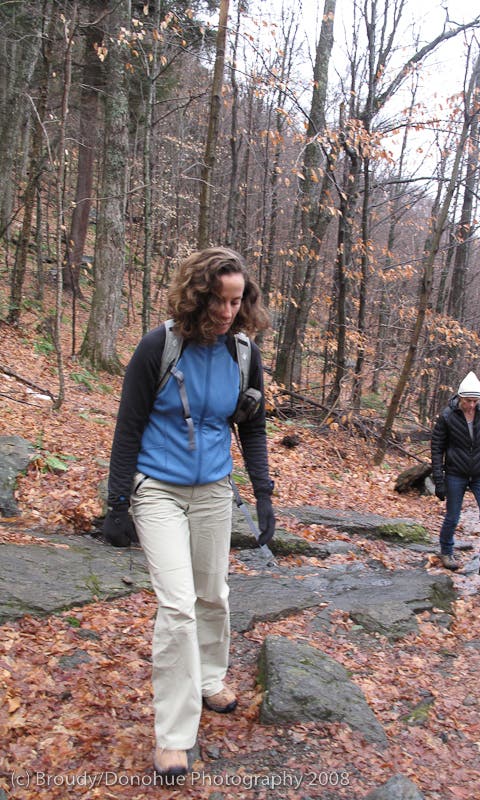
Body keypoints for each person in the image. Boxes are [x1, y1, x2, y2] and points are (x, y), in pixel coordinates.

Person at [102, 247, 275, 780]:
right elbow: (128, 426)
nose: (228, 311)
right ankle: (174, 735)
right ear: (198, 296)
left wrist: (264, 492)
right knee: (177, 607)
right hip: (158, 490)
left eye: (237, 299)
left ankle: (210, 677)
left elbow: (252, 425)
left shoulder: (243, 353)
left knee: (214, 594)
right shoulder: (159, 347)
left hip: (215, 491)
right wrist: (117, 504)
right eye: (219, 300)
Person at [430, 371, 480, 580]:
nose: (471, 405)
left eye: (475, 401)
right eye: (468, 401)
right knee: (452, 516)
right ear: (460, 397)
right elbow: (436, 448)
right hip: (455, 472)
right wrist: (439, 480)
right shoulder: (447, 416)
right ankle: (446, 551)